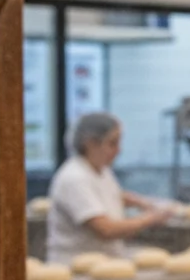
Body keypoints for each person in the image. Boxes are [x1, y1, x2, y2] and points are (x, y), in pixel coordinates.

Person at [46, 112, 172, 264]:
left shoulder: (100, 169)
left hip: (105, 261)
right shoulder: (74, 178)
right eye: (112, 143)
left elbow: (111, 194)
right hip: (76, 267)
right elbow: (106, 229)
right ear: (90, 144)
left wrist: (143, 203)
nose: (119, 150)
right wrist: (151, 218)